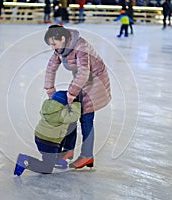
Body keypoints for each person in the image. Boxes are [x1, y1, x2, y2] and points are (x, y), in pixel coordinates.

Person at [43, 25, 111, 169]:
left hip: (96, 82)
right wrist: (50, 89)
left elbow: (84, 73)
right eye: (50, 44)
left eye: (54, 43)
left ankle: (87, 155)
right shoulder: (60, 49)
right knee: (71, 112)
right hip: (81, 82)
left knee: (86, 118)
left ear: (62, 38)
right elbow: (51, 68)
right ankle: (68, 150)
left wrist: (71, 93)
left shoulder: (81, 47)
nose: (52, 47)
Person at [13, 91, 81, 176]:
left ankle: (55, 159)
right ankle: (25, 161)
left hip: (39, 137)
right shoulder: (62, 114)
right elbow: (74, 116)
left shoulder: (47, 106)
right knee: (47, 168)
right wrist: (76, 103)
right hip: (49, 143)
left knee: (61, 137)